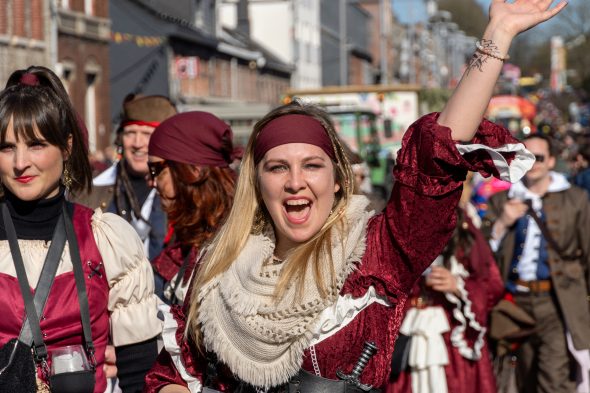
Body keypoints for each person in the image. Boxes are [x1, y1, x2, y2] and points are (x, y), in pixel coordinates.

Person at [144, 2, 564, 392]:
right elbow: (170, 372)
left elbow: (438, 155)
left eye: (312, 165)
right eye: (277, 168)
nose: (295, 182)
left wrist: (498, 36)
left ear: (339, 180)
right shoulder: (221, 267)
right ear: (257, 183)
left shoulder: (375, 257)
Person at [0, 66, 162, 392]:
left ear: (67, 146)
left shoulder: (107, 238)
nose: (20, 163)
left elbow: (139, 374)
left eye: (36, 144)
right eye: (6, 147)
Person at [482, 133, 590, 393]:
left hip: (557, 302)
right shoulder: (500, 201)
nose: (532, 164)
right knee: (521, 379)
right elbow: (482, 257)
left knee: (555, 379)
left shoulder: (575, 199)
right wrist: (502, 224)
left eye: (538, 158)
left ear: (551, 161)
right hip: (513, 304)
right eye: (525, 157)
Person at [386, 182, 504, 393]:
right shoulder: (399, 224)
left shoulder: (466, 229)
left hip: (451, 334)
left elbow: (492, 286)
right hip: (407, 328)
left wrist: (458, 286)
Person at [147, 111, 238, 304]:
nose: (151, 182)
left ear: (193, 170)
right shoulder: (190, 237)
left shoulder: (239, 240)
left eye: (155, 170)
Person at [76, 94, 177, 261]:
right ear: (120, 138)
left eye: (147, 134)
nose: (137, 143)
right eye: (130, 133)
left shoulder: (181, 193)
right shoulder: (88, 189)